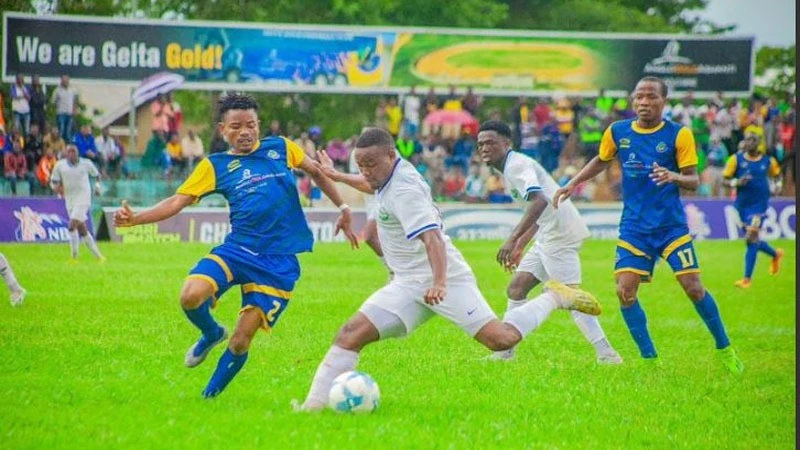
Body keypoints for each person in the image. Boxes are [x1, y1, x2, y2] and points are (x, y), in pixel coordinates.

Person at [294, 128, 601, 411]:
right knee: (350, 333)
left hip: (446, 280)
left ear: (391, 155)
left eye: (370, 164)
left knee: (502, 339)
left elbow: (433, 239)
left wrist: (440, 282)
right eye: (360, 165)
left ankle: (555, 297)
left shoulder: (405, 190)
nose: (365, 171)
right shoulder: (390, 172)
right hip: (408, 284)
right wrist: (339, 176)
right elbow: (372, 185)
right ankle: (313, 408)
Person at [112, 94, 359, 399]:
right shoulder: (214, 166)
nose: (245, 132)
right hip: (237, 250)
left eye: (251, 125)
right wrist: (136, 218)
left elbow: (317, 171)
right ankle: (211, 332)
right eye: (237, 126)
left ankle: (208, 398)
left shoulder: (281, 147)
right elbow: (178, 201)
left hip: (278, 263)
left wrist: (344, 207)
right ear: (222, 130)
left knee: (241, 340)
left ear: (259, 126)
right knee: (190, 295)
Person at [553, 76, 743, 374]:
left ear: (663, 101)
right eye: (639, 97)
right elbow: (602, 160)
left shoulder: (679, 135)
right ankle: (650, 361)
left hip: (671, 227)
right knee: (625, 292)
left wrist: (674, 176)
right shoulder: (618, 131)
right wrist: (571, 184)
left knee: (693, 287)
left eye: (651, 97)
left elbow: (693, 179)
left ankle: (724, 348)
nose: (643, 102)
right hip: (634, 228)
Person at [477, 120, 622, 364]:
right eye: (480, 144)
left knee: (571, 297)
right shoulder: (511, 167)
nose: (484, 148)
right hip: (549, 232)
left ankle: (607, 354)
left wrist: (512, 240)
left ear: (507, 143)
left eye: (490, 142)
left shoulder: (516, 166)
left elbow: (540, 201)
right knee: (517, 288)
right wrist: (522, 244)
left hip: (560, 233)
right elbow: (538, 209)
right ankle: (505, 352)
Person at [723, 131, 784, 288]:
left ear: (758, 143)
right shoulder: (736, 160)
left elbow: (778, 176)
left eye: (752, 140)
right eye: (747, 140)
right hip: (741, 206)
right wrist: (737, 182)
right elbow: (725, 179)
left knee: (751, 238)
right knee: (754, 240)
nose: (749, 143)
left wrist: (777, 187)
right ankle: (775, 254)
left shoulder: (768, 161)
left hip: (759, 206)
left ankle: (746, 279)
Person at [49, 144, 105, 262]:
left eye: (73, 151)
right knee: (82, 229)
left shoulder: (86, 163)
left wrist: (98, 187)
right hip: (70, 200)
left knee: (71, 225)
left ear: (77, 153)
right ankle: (99, 257)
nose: (71, 154)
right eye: (69, 152)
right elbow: (54, 182)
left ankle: (74, 256)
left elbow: (97, 175)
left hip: (84, 198)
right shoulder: (60, 165)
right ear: (66, 153)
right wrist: (57, 189)